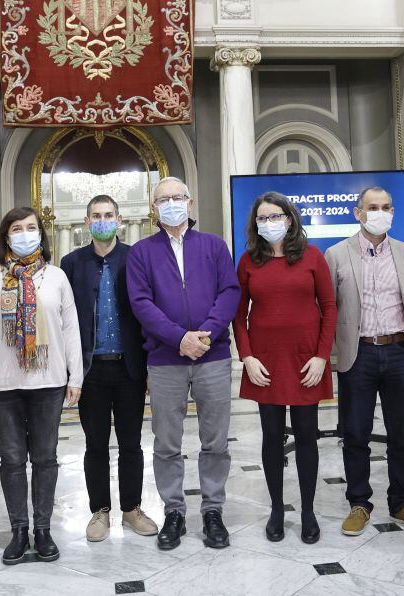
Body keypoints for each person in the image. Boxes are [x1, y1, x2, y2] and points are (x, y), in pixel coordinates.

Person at [127, 176, 240, 551]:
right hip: (164, 360)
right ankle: (173, 511)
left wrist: (204, 333)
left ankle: (213, 511)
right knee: (166, 442)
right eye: (163, 199)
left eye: (178, 197)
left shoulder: (214, 246)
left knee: (216, 440)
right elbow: (141, 304)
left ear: (190, 203)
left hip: (213, 355)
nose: (171, 203)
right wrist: (179, 338)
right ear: (154, 208)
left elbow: (230, 292)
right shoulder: (142, 253)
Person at [0, 207, 83, 564]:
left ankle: (43, 529)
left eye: (31, 228)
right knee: (13, 459)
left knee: (46, 458)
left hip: (49, 381)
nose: (24, 234)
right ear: (5, 236)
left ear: (41, 234)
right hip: (3, 384)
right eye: (16, 229)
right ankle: (19, 529)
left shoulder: (57, 277)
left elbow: (70, 329)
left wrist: (74, 376)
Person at [325, 186, 404, 537]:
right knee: (355, 432)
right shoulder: (336, 254)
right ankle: (359, 502)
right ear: (358, 213)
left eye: (386, 206)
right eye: (372, 207)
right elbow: (329, 306)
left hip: (400, 351)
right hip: (358, 353)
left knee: (402, 432)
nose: (380, 212)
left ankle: (401, 501)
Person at [233, 192, 337, 544]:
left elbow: (329, 307)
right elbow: (238, 313)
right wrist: (247, 357)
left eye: (275, 217)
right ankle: (277, 509)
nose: (269, 223)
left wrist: (322, 356)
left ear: (289, 219)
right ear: (255, 225)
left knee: (307, 436)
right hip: (265, 363)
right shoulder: (248, 261)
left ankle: (308, 511)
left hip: (307, 361)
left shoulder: (312, 257)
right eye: (262, 219)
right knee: (272, 438)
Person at [60, 195, 158, 542]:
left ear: (119, 220)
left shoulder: (136, 258)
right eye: (96, 216)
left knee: (131, 443)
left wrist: (148, 365)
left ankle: (131, 509)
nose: (103, 220)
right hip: (91, 370)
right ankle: (99, 511)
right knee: (95, 445)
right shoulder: (71, 263)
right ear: (87, 223)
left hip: (129, 366)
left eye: (108, 215)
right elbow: (66, 322)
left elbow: (148, 313)